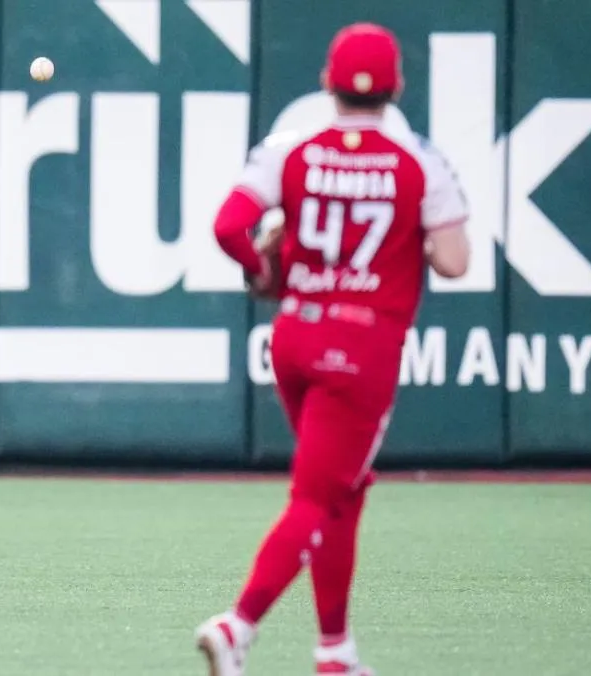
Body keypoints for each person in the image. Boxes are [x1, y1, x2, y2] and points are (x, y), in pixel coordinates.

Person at [197, 22, 471, 675]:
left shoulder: (290, 149)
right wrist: (408, 234)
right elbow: (454, 261)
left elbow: (229, 226)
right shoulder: (419, 160)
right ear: (396, 87)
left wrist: (263, 272)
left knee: (341, 491)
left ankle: (335, 653)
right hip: (361, 345)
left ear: (327, 82)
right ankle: (237, 626)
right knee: (318, 497)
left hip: (296, 336)